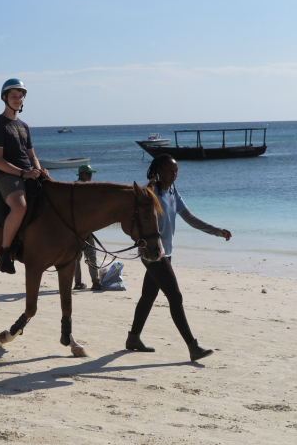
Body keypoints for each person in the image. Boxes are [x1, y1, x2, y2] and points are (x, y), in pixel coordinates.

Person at [126, 154, 232, 362]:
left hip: (167, 252)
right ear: (158, 171)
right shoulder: (150, 193)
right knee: (175, 296)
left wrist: (217, 231)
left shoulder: (172, 191)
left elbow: (189, 217)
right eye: (169, 171)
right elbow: (137, 221)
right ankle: (193, 347)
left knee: (148, 295)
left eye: (176, 171)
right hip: (153, 253)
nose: (173, 175)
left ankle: (133, 338)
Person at [0, 78, 49, 274]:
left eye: (20, 96)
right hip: (6, 175)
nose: (17, 99)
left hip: (29, 172)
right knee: (20, 206)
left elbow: (32, 155)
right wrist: (23, 172)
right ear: (4, 98)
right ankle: (5, 251)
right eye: (13, 96)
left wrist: (39, 171)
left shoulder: (24, 126)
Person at [73, 163, 101, 291]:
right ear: (82, 174)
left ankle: (78, 283)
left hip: (75, 228)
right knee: (91, 255)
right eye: (88, 173)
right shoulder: (87, 188)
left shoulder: (73, 187)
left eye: (91, 174)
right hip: (86, 228)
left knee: (77, 257)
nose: (90, 176)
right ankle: (95, 282)